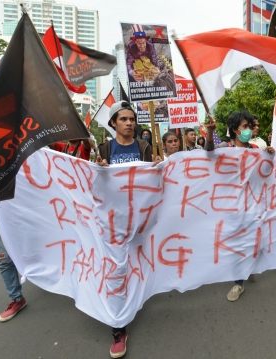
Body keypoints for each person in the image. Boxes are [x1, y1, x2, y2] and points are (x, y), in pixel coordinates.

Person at [95, 100, 160, 358]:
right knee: (116, 270)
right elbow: (95, 186)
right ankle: (118, 327)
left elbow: (154, 182)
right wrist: (98, 171)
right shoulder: (104, 149)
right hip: (113, 221)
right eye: (123, 119)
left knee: (138, 264)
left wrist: (157, 168)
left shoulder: (145, 147)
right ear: (113, 123)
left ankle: (134, 299)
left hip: (140, 220)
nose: (129, 123)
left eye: (132, 119)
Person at [205, 110, 275, 301]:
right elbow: (209, 152)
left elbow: (266, 173)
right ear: (235, 130)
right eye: (244, 127)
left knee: (253, 240)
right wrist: (210, 132)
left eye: (250, 127)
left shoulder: (256, 149)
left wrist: (270, 156)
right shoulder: (225, 147)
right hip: (231, 206)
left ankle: (248, 266)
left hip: (253, 204)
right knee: (236, 242)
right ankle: (238, 283)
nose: (248, 130)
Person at [0, 205, 26, 322]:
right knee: (3, 260)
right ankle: (17, 299)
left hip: (24, 212)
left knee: (36, 249)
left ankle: (49, 278)